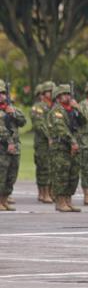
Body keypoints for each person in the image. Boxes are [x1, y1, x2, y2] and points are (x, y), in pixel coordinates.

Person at [46, 84, 84, 212]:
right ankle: (60, 202)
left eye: (68, 94)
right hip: (61, 147)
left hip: (74, 147)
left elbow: (84, 122)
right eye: (63, 94)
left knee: (73, 175)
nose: (66, 97)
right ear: (58, 97)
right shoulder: (56, 111)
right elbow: (61, 129)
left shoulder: (72, 109)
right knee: (61, 175)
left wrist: (78, 108)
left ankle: (68, 200)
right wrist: (73, 142)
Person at [0, 80, 26, 211]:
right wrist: (9, 142)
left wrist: (13, 113)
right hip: (2, 148)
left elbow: (23, 122)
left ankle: (4, 200)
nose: (1, 95)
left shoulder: (11, 108)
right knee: (1, 175)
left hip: (15, 148)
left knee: (11, 176)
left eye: (3, 93)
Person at [30, 81, 54, 204]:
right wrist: (49, 136)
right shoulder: (38, 107)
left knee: (53, 167)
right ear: (44, 93)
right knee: (43, 167)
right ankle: (43, 193)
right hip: (42, 142)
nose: (51, 93)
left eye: (52, 91)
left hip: (55, 142)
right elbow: (39, 125)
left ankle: (50, 192)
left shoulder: (55, 106)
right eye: (48, 91)